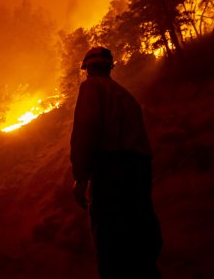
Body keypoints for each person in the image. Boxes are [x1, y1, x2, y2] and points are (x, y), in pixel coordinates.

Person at [70, 46, 163, 279]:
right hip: (140, 171)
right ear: (110, 66)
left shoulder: (91, 87)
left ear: (87, 68)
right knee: (139, 236)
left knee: (111, 241)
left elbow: (86, 131)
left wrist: (81, 178)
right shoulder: (127, 96)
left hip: (111, 171)